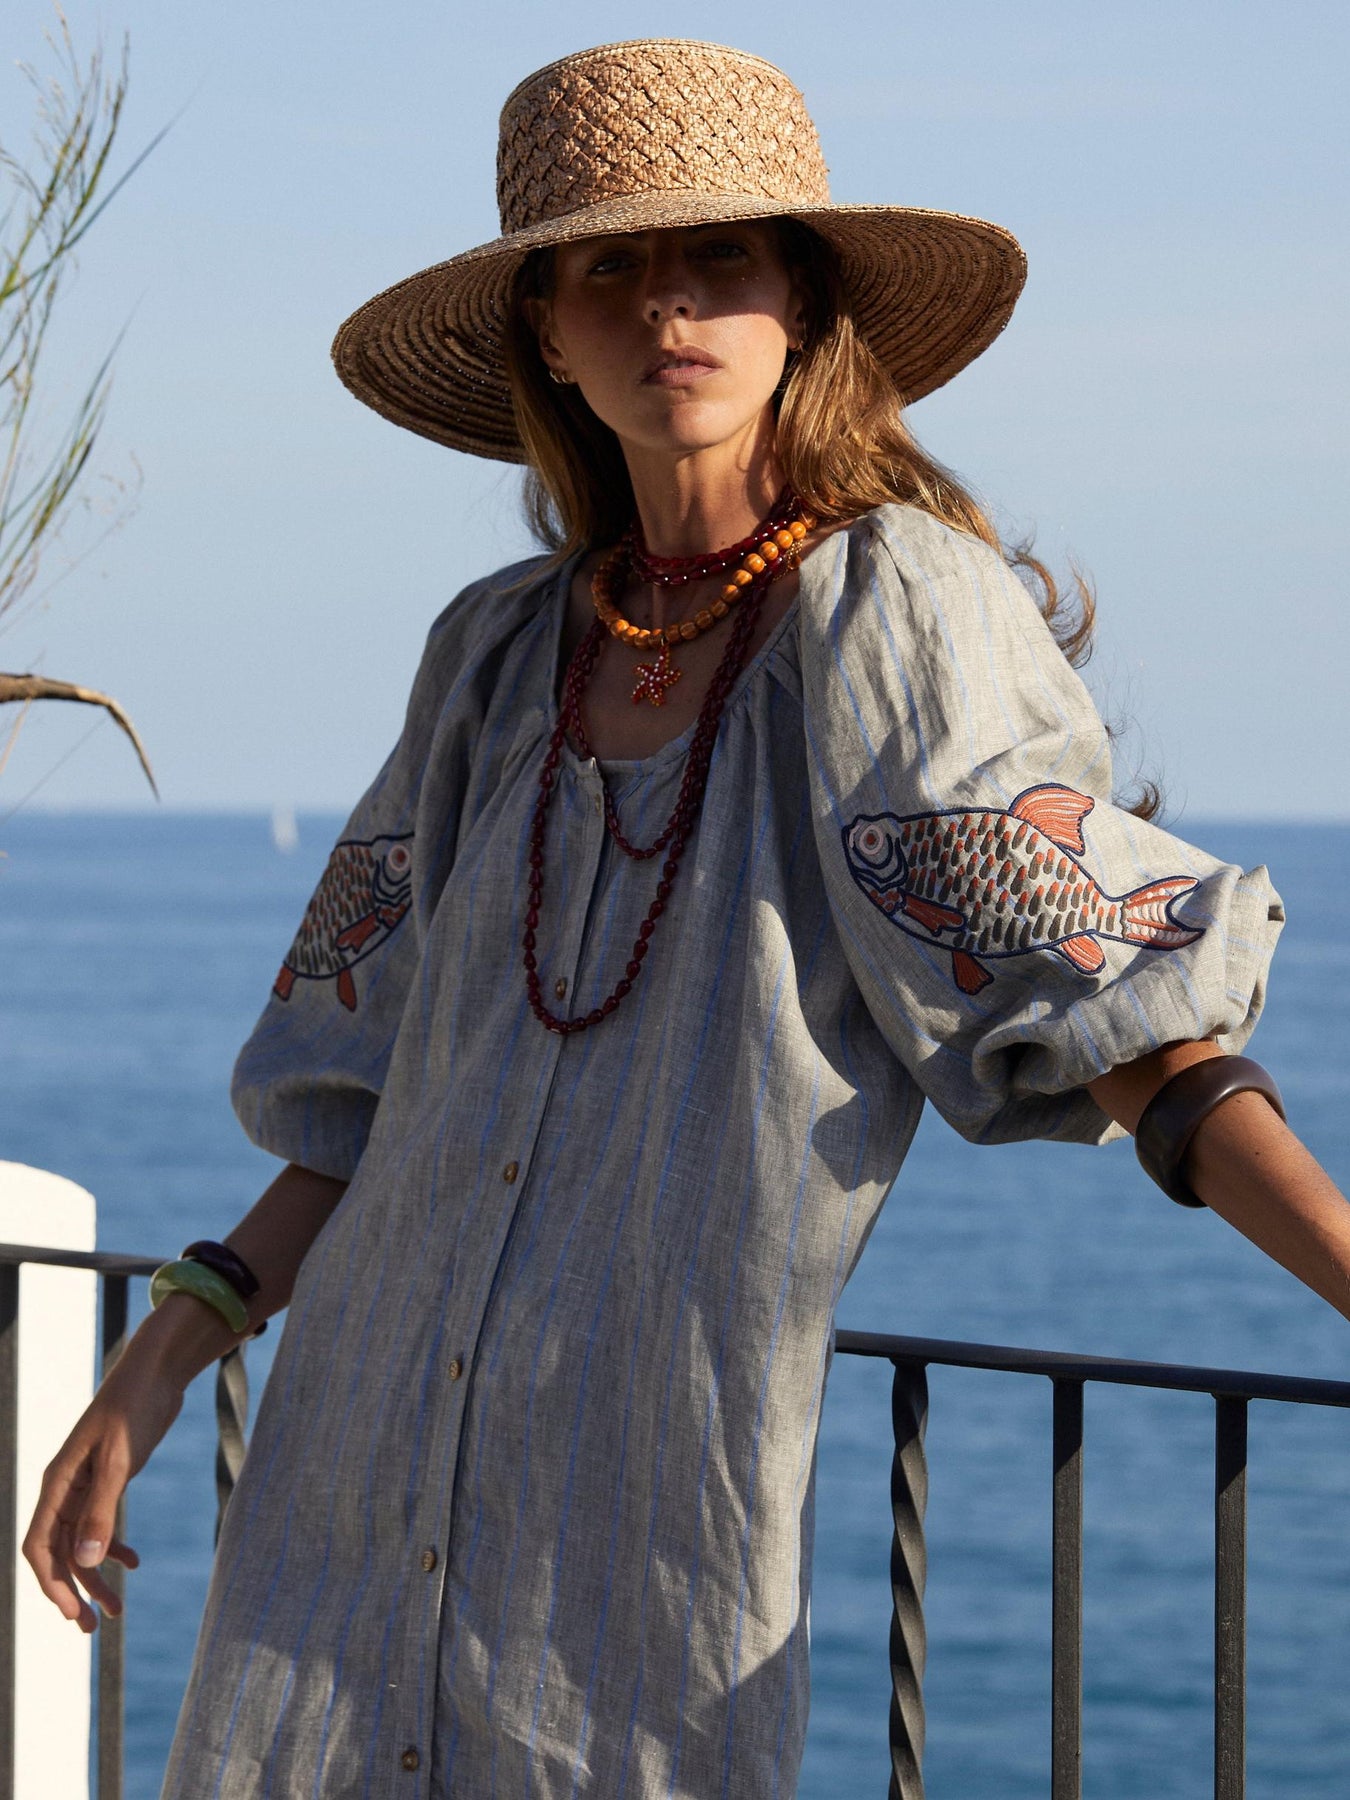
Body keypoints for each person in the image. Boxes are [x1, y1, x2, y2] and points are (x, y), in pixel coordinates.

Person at [21, 37, 1349, 1800]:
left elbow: (1122, 1027)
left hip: (637, 1532)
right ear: (546, 335)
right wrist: (167, 1347)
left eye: (718, 257)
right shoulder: (491, 654)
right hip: (338, 1508)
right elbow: (362, 1098)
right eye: (607, 268)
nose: (667, 305)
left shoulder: (890, 608)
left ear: (799, 307)